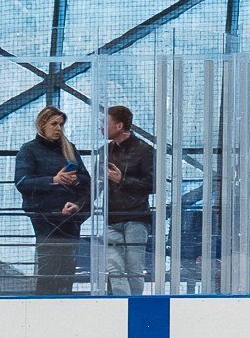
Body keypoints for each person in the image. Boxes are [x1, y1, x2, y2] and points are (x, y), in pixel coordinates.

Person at [14, 105, 91, 295]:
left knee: (67, 266)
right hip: (44, 216)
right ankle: (45, 303)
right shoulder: (29, 150)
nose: (58, 128)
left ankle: (65, 301)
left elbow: (86, 179)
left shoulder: (69, 148)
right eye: (54, 124)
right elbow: (22, 182)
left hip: (70, 215)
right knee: (49, 264)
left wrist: (75, 179)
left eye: (61, 124)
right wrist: (54, 180)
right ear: (42, 125)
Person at [100, 106, 156, 293]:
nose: (101, 127)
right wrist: (78, 205)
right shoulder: (105, 151)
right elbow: (96, 185)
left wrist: (121, 180)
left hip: (136, 218)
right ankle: (121, 304)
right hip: (111, 218)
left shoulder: (144, 150)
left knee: (134, 270)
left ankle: (134, 305)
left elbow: (153, 185)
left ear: (119, 126)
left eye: (105, 123)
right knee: (114, 269)